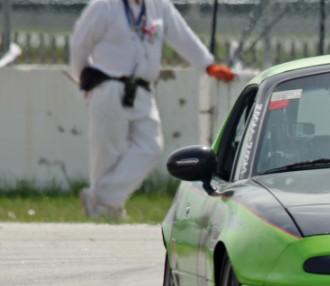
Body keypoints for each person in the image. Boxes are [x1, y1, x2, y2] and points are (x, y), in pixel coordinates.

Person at [70, 0, 235, 220]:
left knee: (151, 147)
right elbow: (80, 44)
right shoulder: (104, 6)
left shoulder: (159, 6)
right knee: (107, 152)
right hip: (108, 85)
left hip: (142, 89)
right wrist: (84, 80)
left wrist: (207, 64)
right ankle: (108, 208)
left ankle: (101, 199)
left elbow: (181, 34)